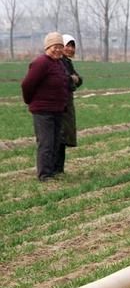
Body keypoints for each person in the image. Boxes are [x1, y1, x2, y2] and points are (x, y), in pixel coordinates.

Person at [21, 32, 70, 181]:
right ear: (47, 47)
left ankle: (52, 171)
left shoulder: (58, 63)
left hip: (57, 109)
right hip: (43, 110)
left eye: (60, 47)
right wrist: (31, 102)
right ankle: (44, 174)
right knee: (46, 142)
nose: (58, 50)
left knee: (55, 141)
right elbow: (27, 84)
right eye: (55, 47)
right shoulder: (41, 63)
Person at [54, 34, 83, 174]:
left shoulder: (67, 62)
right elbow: (67, 81)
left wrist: (74, 79)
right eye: (68, 45)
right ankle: (53, 170)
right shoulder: (58, 62)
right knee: (58, 138)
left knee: (63, 138)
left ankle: (59, 170)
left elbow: (79, 80)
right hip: (60, 104)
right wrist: (73, 80)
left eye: (73, 46)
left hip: (67, 105)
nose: (71, 49)